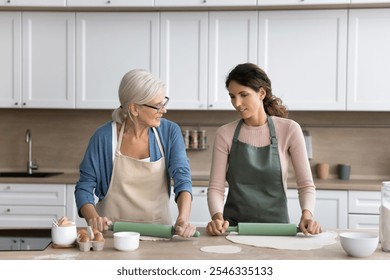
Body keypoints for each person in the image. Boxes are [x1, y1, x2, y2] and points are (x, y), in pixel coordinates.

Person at [74, 69, 196, 238]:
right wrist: (93, 218)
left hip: (159, 233)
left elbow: (182, 177)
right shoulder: (103, 137)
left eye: (164, 102)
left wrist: (183, 219)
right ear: (134, 109)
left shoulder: (169, 132)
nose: (164, 110)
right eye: (157, 105)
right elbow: (84, 186)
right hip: (112, 235)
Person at [206, 63, 322, 236]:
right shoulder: (225, 133)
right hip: (233, 229)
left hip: (277, 229)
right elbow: (216, 188)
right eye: (232, 96)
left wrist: (307, 214)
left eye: (243, 95)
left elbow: (305, 184)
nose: (237, 103)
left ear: (261, 93)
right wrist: (217, 217)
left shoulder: (289, 129)